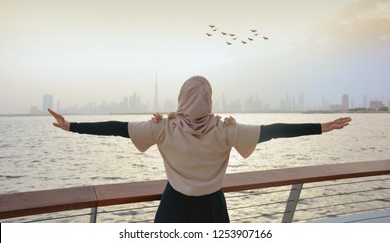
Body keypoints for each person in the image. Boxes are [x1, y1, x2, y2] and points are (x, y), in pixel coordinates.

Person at [48, 75, 351, 223]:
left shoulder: (164, 127)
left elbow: (116, 127)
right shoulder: (225, 130)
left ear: (182, 97)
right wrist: (324, 127)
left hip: (174, 206)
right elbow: (274, 133)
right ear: (209, 100)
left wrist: (72, 125)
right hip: (212, 208)